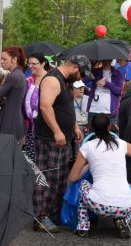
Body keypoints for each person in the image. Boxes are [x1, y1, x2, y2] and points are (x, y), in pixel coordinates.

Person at [33, 55, 91, 232]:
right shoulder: (52, 79)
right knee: (47, 177)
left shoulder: (65, 81)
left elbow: (64, 107)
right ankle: (41, 217)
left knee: (59, 178)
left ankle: (54, 213)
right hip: (49, 139)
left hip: (62, 139)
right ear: (74, 67)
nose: (82, 78)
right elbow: (45, 107)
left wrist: (74, 126)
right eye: (81, 73)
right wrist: (57, 131)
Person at [68, 113, 131, 239]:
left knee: (83, 185)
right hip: (125, 207)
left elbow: (73, 177)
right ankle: (121, 220)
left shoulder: (87, 147)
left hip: (98, 205)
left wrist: (88, 164)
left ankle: (83, 227)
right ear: (109, 127)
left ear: (91, 128)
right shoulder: (120, 143)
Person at [0, 47, 27, 142]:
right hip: (17, 120)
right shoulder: (21, 75)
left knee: (4, 153)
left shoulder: (12, 76)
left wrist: (2, 100)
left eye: (4, 59)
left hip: (8, 120)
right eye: (1, 59)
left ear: (14, 59)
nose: (1, 62)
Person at [24, 53, 49, 161]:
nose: (30, 66)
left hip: (45, 124)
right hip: (30, 125)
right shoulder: (28, 80)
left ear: (43, 63)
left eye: (34, 63)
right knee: (30, 156)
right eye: (29, 63)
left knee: (43, 156)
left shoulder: (50, 79)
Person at [87, 59, 123, 127]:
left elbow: (120, 91)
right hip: (94, 109)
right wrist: (92, 63)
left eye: (108, 60)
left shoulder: (118, 73)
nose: (106, 61)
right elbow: (84, 80)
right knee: (92, 136)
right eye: (104, 59)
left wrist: (107, 84)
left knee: (111, 136)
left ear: (112, 60)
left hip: (111, 112)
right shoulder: (95, 72)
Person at [72, 80, 89, 153]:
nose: (82, 89)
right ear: (73, 89)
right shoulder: (69, 99)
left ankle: (79, 156)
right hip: (73, 125)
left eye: (82, 87)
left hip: (85, 125)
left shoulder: (88, 98)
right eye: (79, 87)